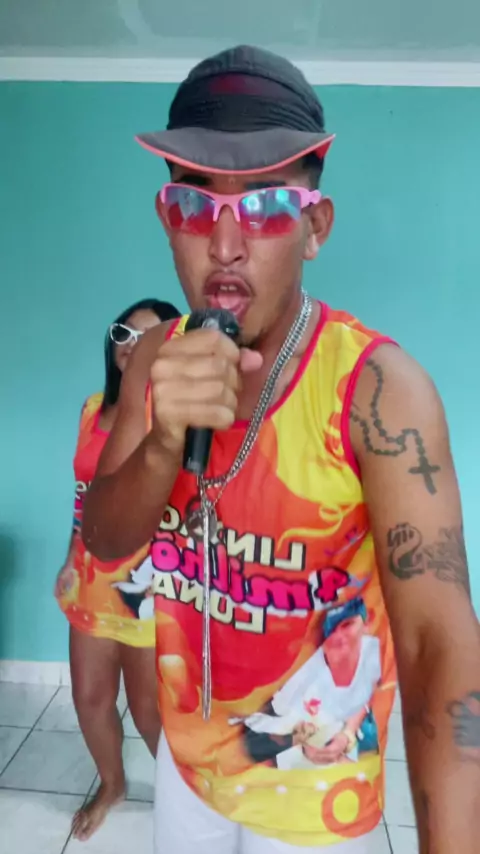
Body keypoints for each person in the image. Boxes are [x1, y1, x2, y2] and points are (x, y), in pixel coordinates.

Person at [82, 45, 480, 854]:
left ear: (314, 228)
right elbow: (107, 541)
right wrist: (161, 444)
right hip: (189, 763)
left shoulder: (379, 393)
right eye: (194, 203)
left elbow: (438, 645)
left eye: (264, 206)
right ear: (167, 219)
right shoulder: (155, 357)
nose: (225, 244)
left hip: (317, 784)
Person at [55, 297, 181, 841]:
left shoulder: (177, 421)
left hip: (152, 586)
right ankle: (113, 785)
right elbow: (85, 496)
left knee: (150, 713)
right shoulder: (92, 409)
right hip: (90, 579)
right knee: (89, 699)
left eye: (148, 337)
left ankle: (185, 803)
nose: (132, 345)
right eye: (124, 334)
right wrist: (70, 557)